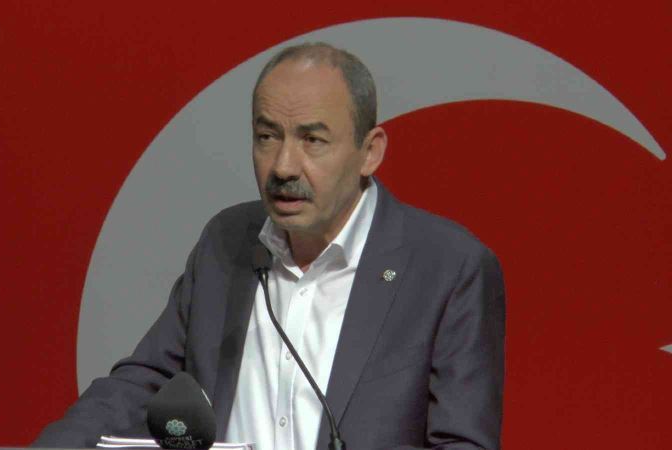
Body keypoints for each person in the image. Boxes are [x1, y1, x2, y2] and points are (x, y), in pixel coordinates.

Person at [34, 42, 505, 450]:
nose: (283, 166)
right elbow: (146, 383)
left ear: (370, 151)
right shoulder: (227, 241)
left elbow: (461, 443)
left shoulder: (447, 268)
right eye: (267, 137)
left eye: (312, 140)